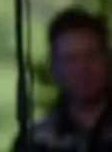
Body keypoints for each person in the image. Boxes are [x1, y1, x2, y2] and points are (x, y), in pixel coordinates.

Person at [16, 8, 112, 152]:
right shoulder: (36, 141)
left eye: (91, 56)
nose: (82, 68)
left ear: (107, 59)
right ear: (54, 67)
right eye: (70, 59)